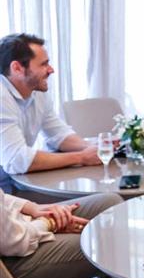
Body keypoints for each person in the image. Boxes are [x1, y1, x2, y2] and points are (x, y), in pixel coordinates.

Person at [1, 187, 144, 278]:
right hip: (9, 270)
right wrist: (49, 223)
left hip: (16, 224)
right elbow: (15, 242)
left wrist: (31, 207)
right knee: (108, 244)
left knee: (111, 205)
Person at [0, 33, 100, 194]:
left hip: (18, 181)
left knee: (101, 197)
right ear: (17, 68)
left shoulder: (37, 92)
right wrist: (81, 157)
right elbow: (17, 160)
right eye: (44, 64)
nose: (51, 70)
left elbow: (59, 135)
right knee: (99, 200)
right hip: (5, 190)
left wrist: (94, 148)